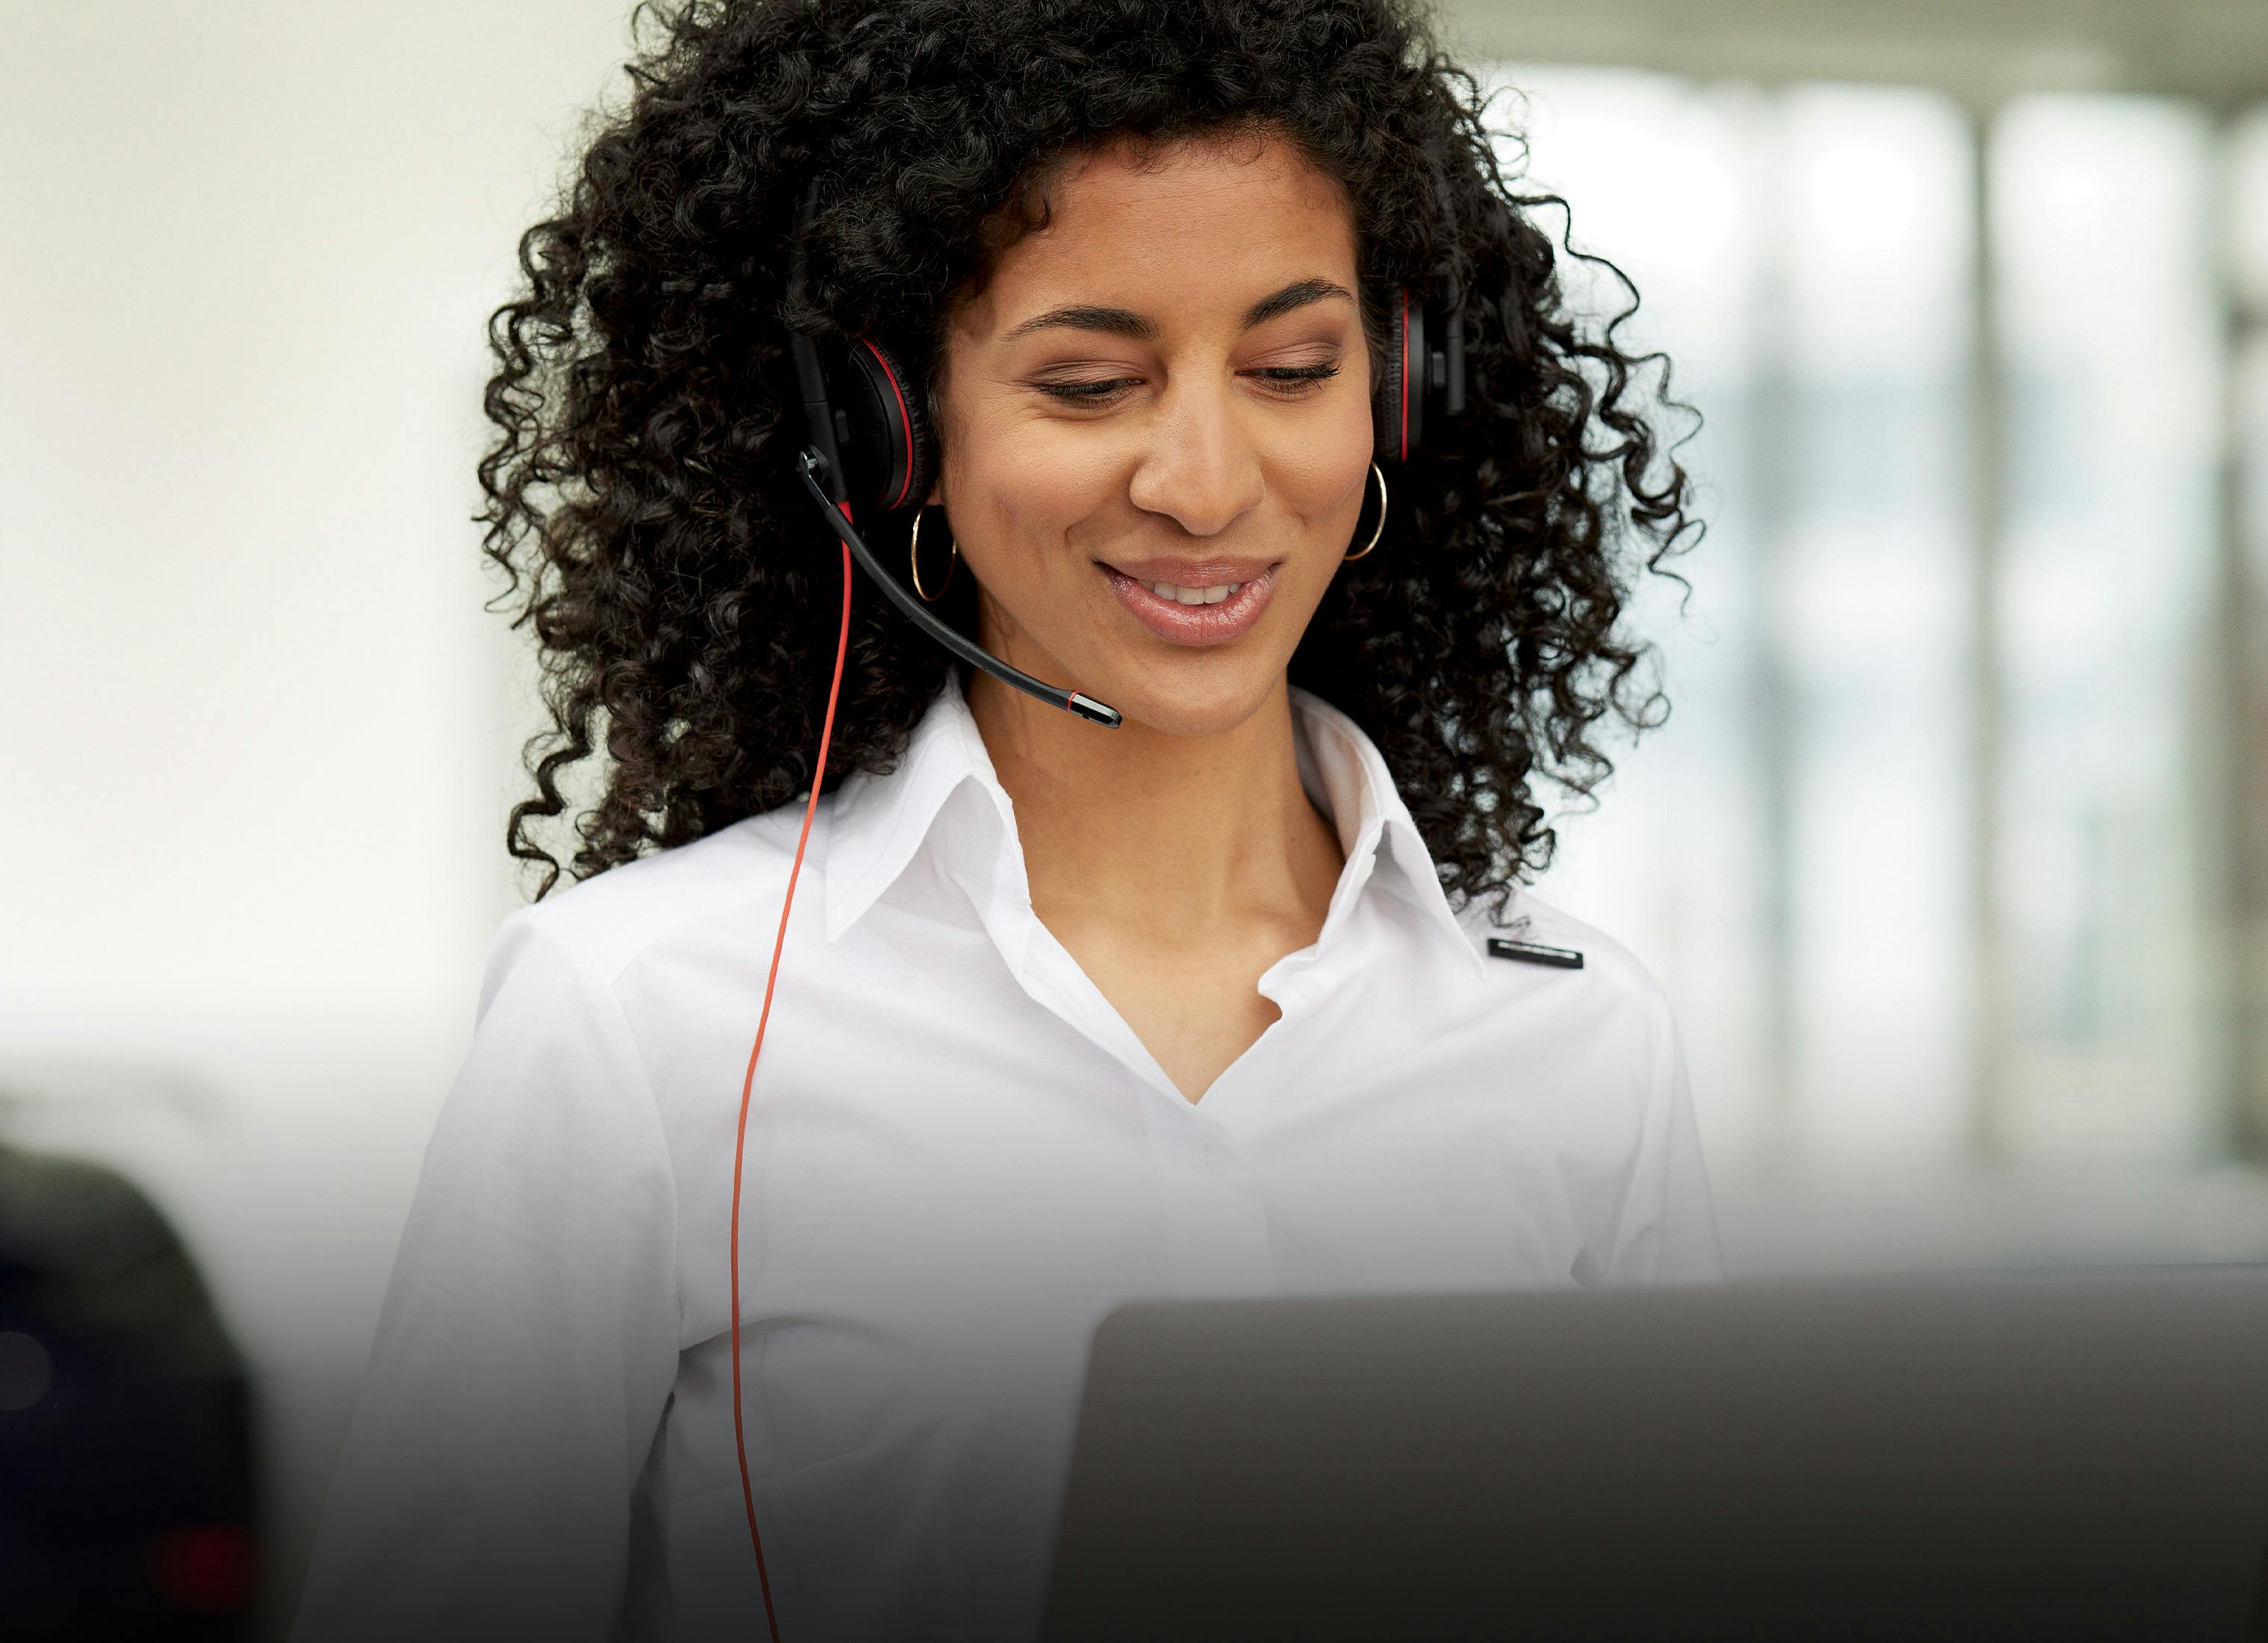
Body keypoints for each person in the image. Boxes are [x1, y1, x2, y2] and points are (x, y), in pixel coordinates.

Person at [291, 1, 1715, 1637]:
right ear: (890, 427)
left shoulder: (1580, 1043)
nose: (1204, 481)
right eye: (1090, 383)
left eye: (1292, 369)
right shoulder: (644, 1014)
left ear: (1394, 392)